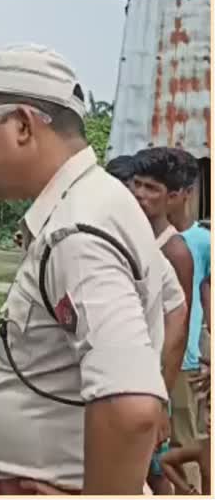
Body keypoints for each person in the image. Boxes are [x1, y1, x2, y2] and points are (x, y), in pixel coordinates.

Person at [0, 43, 169, 495]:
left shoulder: (78, 230)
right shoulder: (96, 202)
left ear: (24, 126)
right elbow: (172, 302)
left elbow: (131, 410)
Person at [131, 147, 196, 494]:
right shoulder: (135, 237)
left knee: (163, 469)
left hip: (161, 373)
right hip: (137, 368)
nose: (140, 194)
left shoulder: (174, 250)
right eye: (136, 184)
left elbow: (178, 326)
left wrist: (160, 398)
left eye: (151, 188)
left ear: (172, 197)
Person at [164, 149, 211, 490]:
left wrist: (209, 352)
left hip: (186, 360)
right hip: (153, 358)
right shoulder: (152, 239)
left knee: (187, 442)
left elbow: (207, 298)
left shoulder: (202, 241)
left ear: (188, 193)